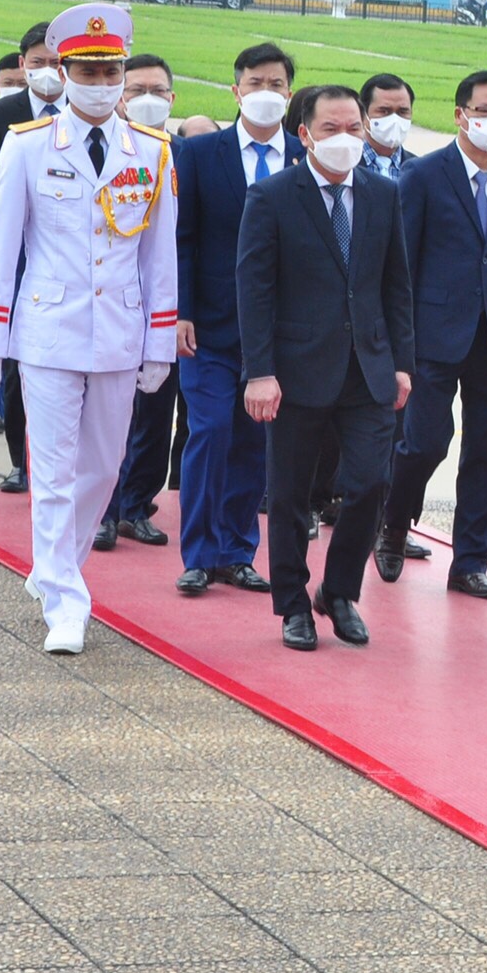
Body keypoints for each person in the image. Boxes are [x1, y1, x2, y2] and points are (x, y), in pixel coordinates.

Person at [0, 2, 178, 654]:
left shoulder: (153, 150)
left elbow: (159, 254)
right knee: (53, 469)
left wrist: (159, 340)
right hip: (49, 327)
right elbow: (1, 244)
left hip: (118, 328)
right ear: (63, 71)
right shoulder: (29, 146)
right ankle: (66, 597)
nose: (101, 80)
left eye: (110, 68)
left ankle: (56, 565)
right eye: (87, 69)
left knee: (104, 468)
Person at [238, 86, 415, 651]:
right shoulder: (271, 197)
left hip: (368, 368)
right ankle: (293, 603)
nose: (346, 140)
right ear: (305, 134)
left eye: (354, 129)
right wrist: (259, 371)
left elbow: (396, 286)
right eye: (332, 129)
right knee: (290, 493)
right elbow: (255, 290)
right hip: (295, 370)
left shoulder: (384, 195)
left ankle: (338, 592)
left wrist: (403, 365)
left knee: (369, 483)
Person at [378, 71, 487, 591]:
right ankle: (393, 523)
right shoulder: (423, 177)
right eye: (484, 111)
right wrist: (399, 342)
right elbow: (400, 265)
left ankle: (471, 561)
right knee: (425, 443)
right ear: (459, 114)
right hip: (433, 335)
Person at [169, 45, 299, 598]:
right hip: (209, 328)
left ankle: (236, 551)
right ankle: (199, 553)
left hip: (275, 335)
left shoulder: (304, 156)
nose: (265, 91)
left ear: (291, 93)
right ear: (236, 90)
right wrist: (181, 311)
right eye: (255, 82)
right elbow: (182, 239)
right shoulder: (200, 154)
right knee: (211, 430)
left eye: (276, 83)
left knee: (254, 443)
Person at [0, 21, 65, 494]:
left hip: (63, 257)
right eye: (38, 62)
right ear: (22, 64)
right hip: (19, 256)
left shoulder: (86, 113)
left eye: (57, 63)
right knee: (15, 365)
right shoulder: (1, 114)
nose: (47, 72)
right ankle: (20, 461)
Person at [96, 51, 185, 552]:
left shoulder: (178, 152)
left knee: (156, 414)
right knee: (112, 419)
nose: (147, 101)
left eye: (158, 92)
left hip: (163, 307)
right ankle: (104, 510)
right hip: (113, 303)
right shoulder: (111, 151)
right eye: (137, 91)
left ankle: (136, 506)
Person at [359, 72, 418, 182]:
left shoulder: (420, 170)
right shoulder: (344, 165)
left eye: (402, 112)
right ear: (363, 114)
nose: (394, 120)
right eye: (384, 111)